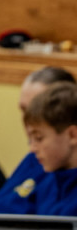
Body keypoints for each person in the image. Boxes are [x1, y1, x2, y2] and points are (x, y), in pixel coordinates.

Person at [0, 66, 76, 214]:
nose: (28, 120)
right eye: (24, 110)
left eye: (39, 137)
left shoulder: (52, 164)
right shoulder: (39, 160)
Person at [20, 82, 77, 216]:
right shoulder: (47, 185)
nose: (32, 149)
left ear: (72, 135)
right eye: (31, 140)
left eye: (39, 138)